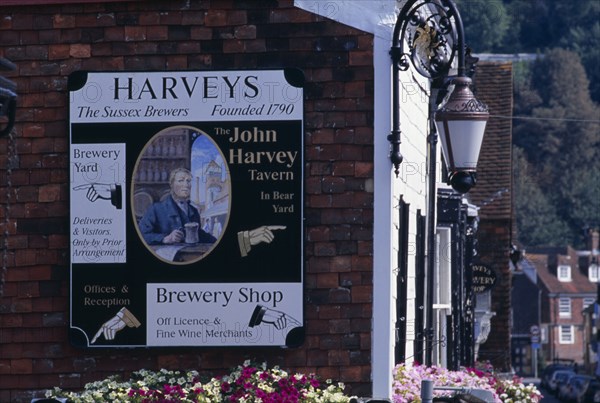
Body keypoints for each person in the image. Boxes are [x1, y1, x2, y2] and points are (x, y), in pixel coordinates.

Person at [138, 168, 216, 245]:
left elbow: (199, 234)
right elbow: (142, 234)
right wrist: (165, 238)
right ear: (172, 184)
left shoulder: (194, 211)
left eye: (188, 181)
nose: (186, 185)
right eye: (181, 180)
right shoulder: (156, 209)